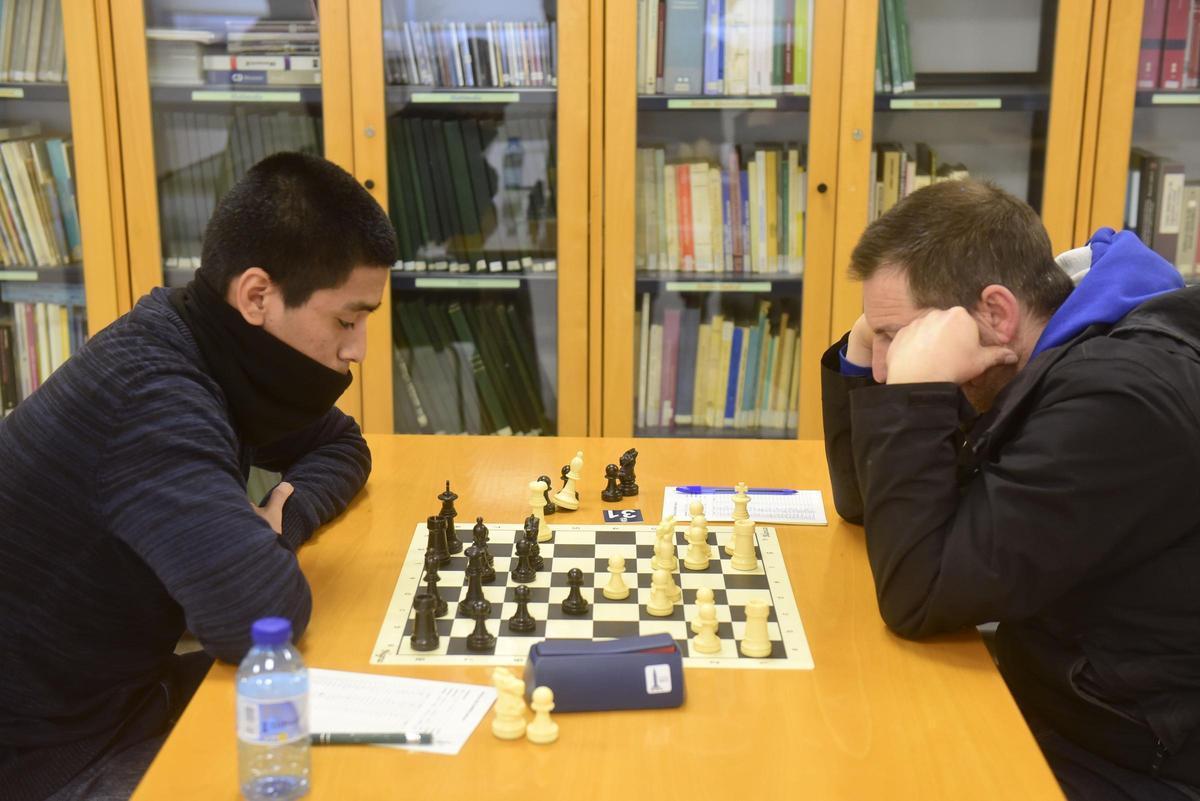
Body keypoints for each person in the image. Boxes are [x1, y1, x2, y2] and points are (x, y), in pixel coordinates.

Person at [0, 152, 398, 800]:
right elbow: (259, 615)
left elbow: (343, 443)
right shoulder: (153, 397)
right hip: (54, 756)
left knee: (385, 724)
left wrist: (284, 510)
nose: (355, 350)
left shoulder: (207, 345)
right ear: (257, 295)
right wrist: (260, 545)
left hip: (125, 695)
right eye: (346, 320)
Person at [822, 180, 1200, 799]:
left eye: (899, 335)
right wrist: (865, 352)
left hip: (1130, 758)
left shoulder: (1118, 402)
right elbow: (868, 506)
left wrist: (913, 397)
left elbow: (920, 594)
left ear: (995, 312)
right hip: (1063, 700)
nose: (891, 367)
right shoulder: (1032, 350)